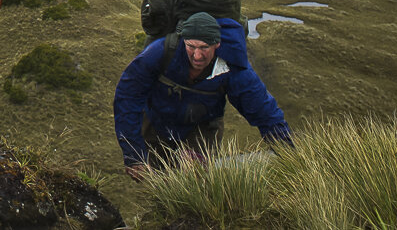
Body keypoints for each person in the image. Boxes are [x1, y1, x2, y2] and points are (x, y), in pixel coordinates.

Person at [113, 10, 292, 179]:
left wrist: (288, 151)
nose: (197, 55)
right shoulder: (159, 52)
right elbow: (127, 96)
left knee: (195, 179)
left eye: (204, 47)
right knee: (157, 184)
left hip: (202, 129)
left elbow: (262, 108)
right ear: (183, 40)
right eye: (191, 46)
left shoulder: (232, 68)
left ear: (217, 44)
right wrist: (133, 154)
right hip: (156, 125)